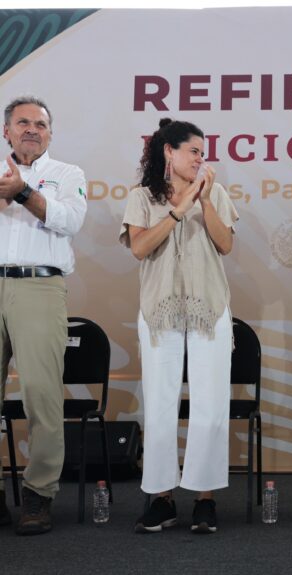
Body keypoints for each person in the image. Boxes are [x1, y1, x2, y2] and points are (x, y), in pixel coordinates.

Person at [120, 118, 238, 534]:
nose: (200, 159)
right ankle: (162, 498)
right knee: (160, 405)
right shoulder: (142, 197)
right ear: (169, 152)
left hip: (208, 310)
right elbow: (139, 248)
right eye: (193, 151)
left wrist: (203, 201)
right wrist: (177, 210)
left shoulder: (217, 193)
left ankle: (205, 499)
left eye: (203, 153)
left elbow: (225, 244)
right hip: (160, 313)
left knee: (209, 406)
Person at [0, 96, 87, 535]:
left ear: (50, 134)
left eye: (40, 124)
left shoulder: (67, 175)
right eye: (22, 123)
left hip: (40, 286)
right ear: (7, 131)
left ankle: (39, 493)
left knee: (41, 395)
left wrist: (23, 193)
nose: (32, 129)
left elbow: (70, 222)